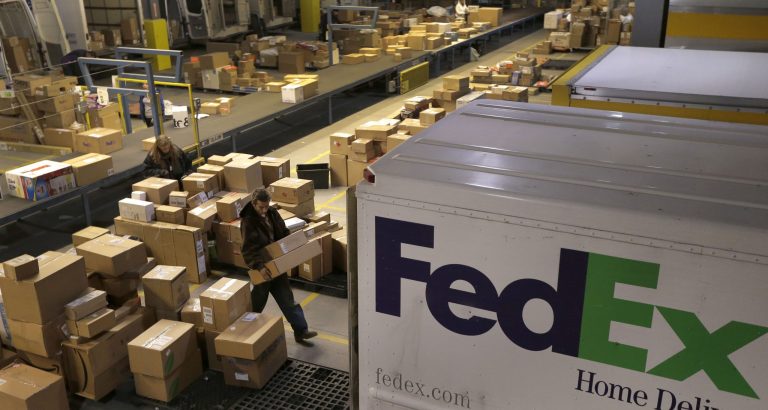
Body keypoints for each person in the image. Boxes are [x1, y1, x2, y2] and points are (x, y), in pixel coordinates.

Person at [240, 189, 318, 345]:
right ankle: (243, 332)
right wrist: (260, 267)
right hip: (262, 270)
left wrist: (290, 245)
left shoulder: (273, 213)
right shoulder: (248, 221)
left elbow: (283, 231)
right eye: (261, 207)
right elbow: (248, 250)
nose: (264, 210)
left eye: (266, 207)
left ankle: (301, 331)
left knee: (287, 300)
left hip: (277, 266)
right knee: (257, 303)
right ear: (254, 204)